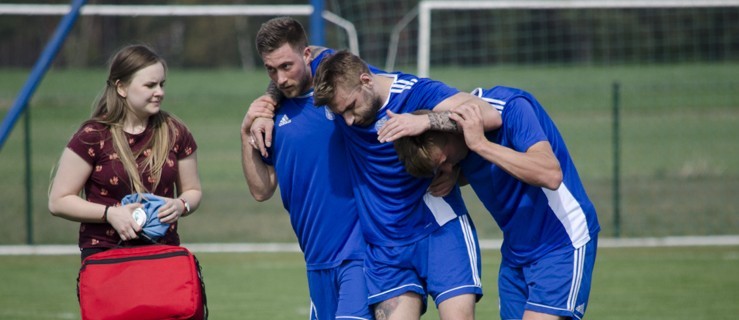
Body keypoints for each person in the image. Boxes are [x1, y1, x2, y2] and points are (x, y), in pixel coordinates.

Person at [311, 50, 507, 320]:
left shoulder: (415, 92)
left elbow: (490, 115)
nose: (348, 120)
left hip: (440, 230)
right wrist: (267, 102)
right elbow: (297, 53)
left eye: (350, 107)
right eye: (339, 113)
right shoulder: (338, 77)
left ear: (367, 80)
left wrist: (425, 121)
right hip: (386, 246)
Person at [390, 86, 601, 320]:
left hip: (561, 241)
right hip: (515, 254)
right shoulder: (459, 151)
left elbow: (551, 174)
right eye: (439, 169)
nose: (446, 169)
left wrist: (481, 144)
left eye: (446, 160)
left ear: (453, 132)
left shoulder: (511, 107)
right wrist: (457, 173)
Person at [240, 17, 372, 320]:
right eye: (271, 70)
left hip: (359, 253)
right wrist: (245, 132)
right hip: (315, 258)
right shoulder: (271, 115)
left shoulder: (341, 99)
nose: (281, 78)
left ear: (307, 54)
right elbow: (261, 190)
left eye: (287, 66)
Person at [48, 44, 202, 261]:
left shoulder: (176, 132)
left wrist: (180, 204)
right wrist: (110, 214)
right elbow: (58, 201)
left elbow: (193, 190)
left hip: (162, 255)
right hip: (106, 256)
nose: (160, 92)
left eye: (161, 84)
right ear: (121, 87)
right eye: (150, 85)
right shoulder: (93, 135)